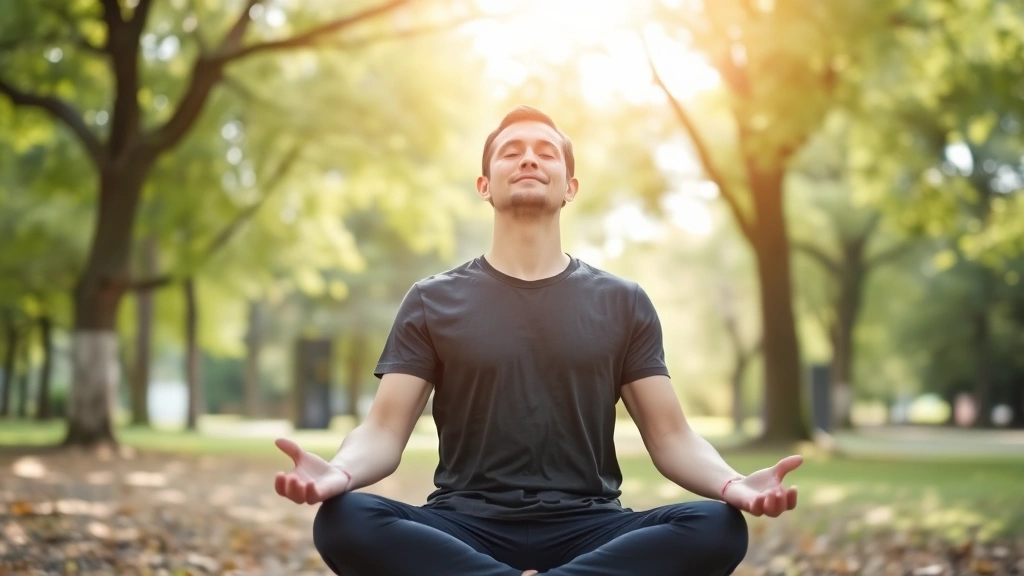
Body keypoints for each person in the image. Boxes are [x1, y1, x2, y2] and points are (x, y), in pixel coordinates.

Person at [273, 106, 803, 576]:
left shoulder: (624, 302)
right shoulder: (432, 299)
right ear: (485, 185)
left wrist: (732, 484)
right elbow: (385, 429)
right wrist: (340, 472)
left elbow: (670, 437)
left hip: (590, 527)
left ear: (570, 187)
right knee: (344, 519)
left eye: (546, 152)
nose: (529, 158)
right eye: (511, 152)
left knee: (717, 526)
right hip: (465, 524)